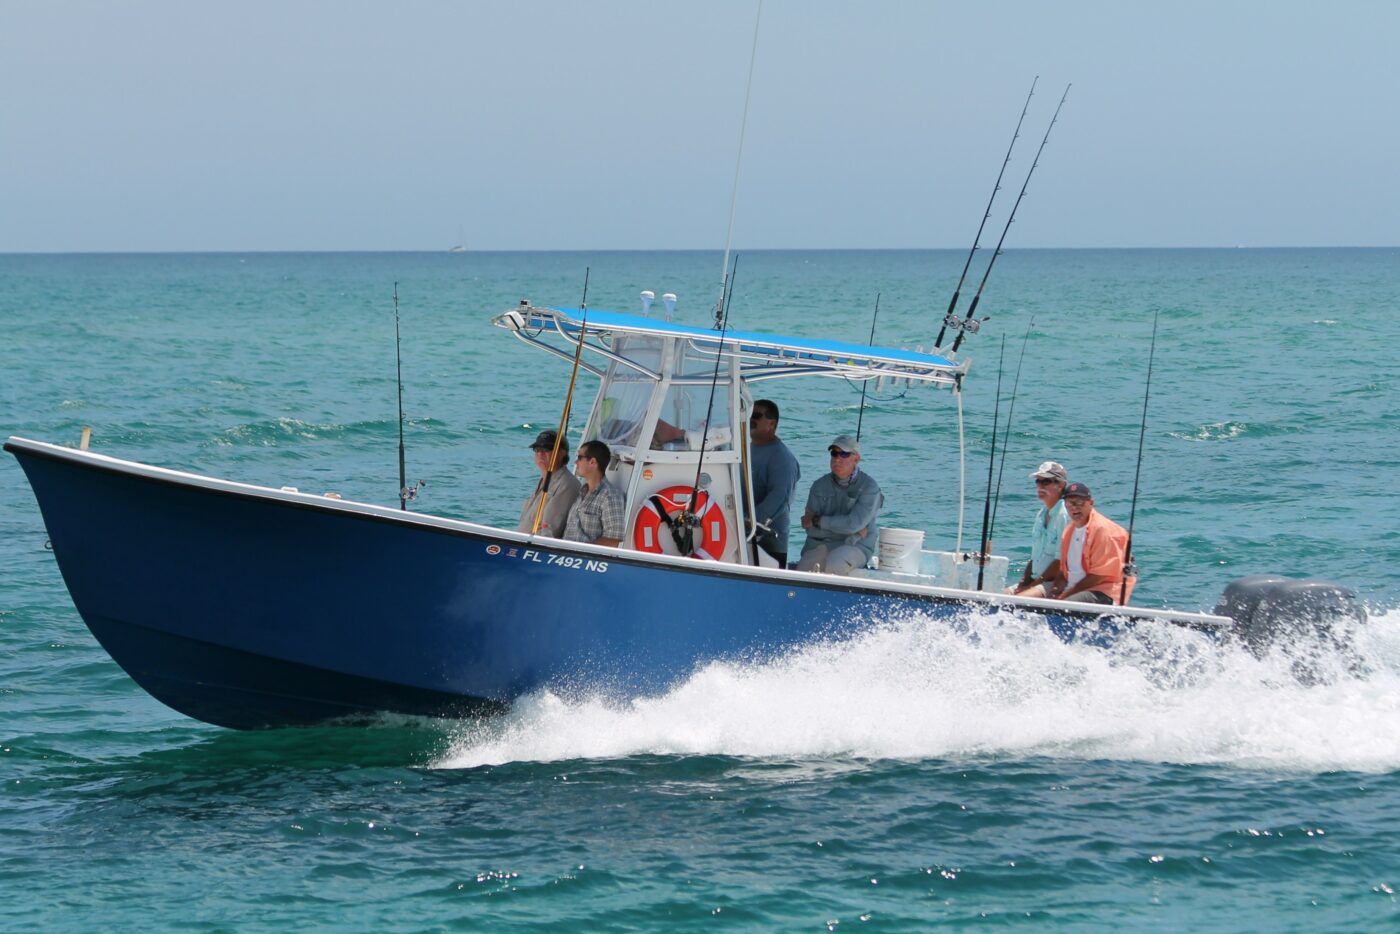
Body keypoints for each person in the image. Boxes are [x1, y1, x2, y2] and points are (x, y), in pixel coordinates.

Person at [795, 434, 883, 576]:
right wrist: (851, 529)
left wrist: (819, 521)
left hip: (856, 545)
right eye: (834, 453)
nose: (837, 459)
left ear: (856, 459)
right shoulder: (818, 486)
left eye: (844, 454)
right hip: (819, 544)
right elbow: (809, 528)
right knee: (802, 574)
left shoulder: (869, 487)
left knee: (836, 562)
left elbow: (853, 524)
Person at [1049, 481, 1135, 605]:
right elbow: (1063, 571)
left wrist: (1064, 597)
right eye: (1069, 503)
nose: (1074, 507)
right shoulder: (1068, 531)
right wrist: (1054, 594)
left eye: (1079, 502)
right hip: (1074, 591)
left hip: (1102, 592)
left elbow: (1099, 576)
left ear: (1091, 503)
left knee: (1060, 607)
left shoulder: (1104, 530)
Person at [748, 399, 801, 568]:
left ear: (772, 424)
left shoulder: (782, 458)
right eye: (749, 414)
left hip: (768, 543)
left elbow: (780, 496)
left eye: (756, 415)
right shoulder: (744, 449)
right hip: (742, 535)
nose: (750, 419)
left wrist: (752, 521)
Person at [1006, 461, 1069, 597]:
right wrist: (1024, 582)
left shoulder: (1064, 515)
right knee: (998, 597)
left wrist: (1032, 586)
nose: (1040, 486)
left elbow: (1060, 562)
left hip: (1053, 583)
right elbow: (1034, 557)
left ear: (1061, 485)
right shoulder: (1042, 513)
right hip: (1036, 581)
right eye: (1038, 482)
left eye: (1046, 482)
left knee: (1016, 601)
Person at [517, 429, 581, 537]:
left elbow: (551, 529)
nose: (540, 453)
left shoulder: (567, 484)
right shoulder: (544, 480)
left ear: (562, 453)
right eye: (537, 449)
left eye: (546, 449)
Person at [562, 439, 626, 547]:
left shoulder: (610, 496)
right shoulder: (582, 492)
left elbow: (613, 541)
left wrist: (579, 551)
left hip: (582, 559)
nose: (575, 462)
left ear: (592, 462)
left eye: (579, 458)